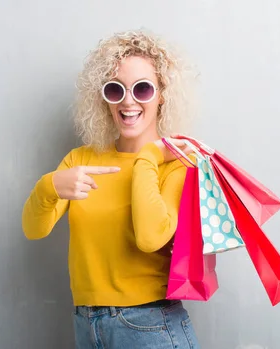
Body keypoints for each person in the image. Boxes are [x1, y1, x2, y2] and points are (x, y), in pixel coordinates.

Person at [22, 29, 201, 348]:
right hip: (87, 324)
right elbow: (33, 229)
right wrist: (49, 185)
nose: (128, 101)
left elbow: (150, 238)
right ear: (103, 96)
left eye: (143, 89)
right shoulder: (81, 159)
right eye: (115, 89)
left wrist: (148, 156)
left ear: (162, 95)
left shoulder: (176, 165)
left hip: (149, 325)